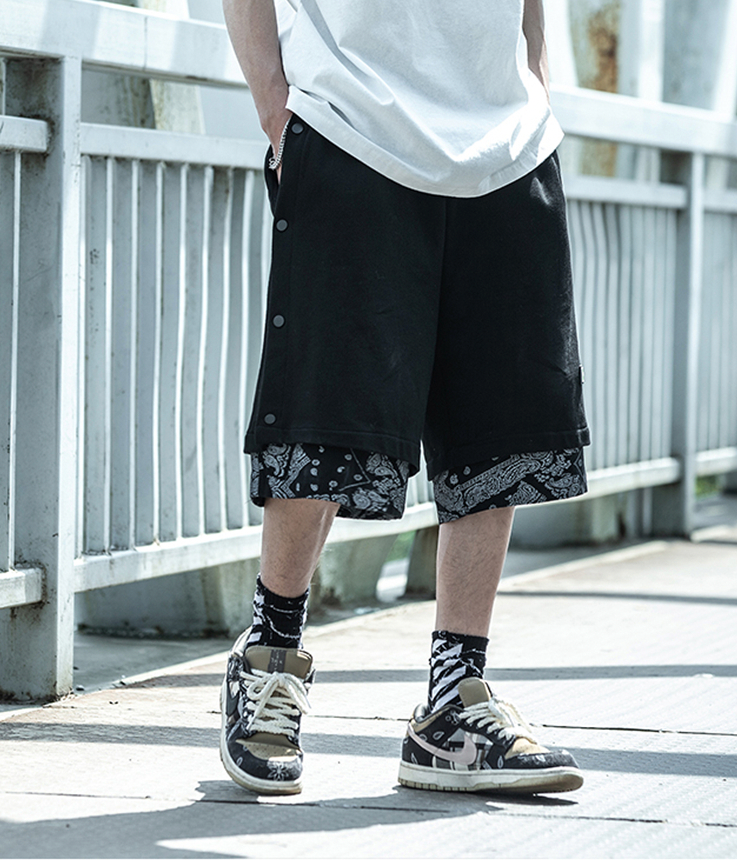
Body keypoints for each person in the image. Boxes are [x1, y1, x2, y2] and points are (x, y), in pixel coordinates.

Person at [219, 0, 590, 796]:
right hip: (352, 125)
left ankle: (453, 706)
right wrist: (275, 110)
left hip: (508, 145)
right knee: (325, 410)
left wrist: (538, 88)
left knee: (503, 427)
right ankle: (270, 663)